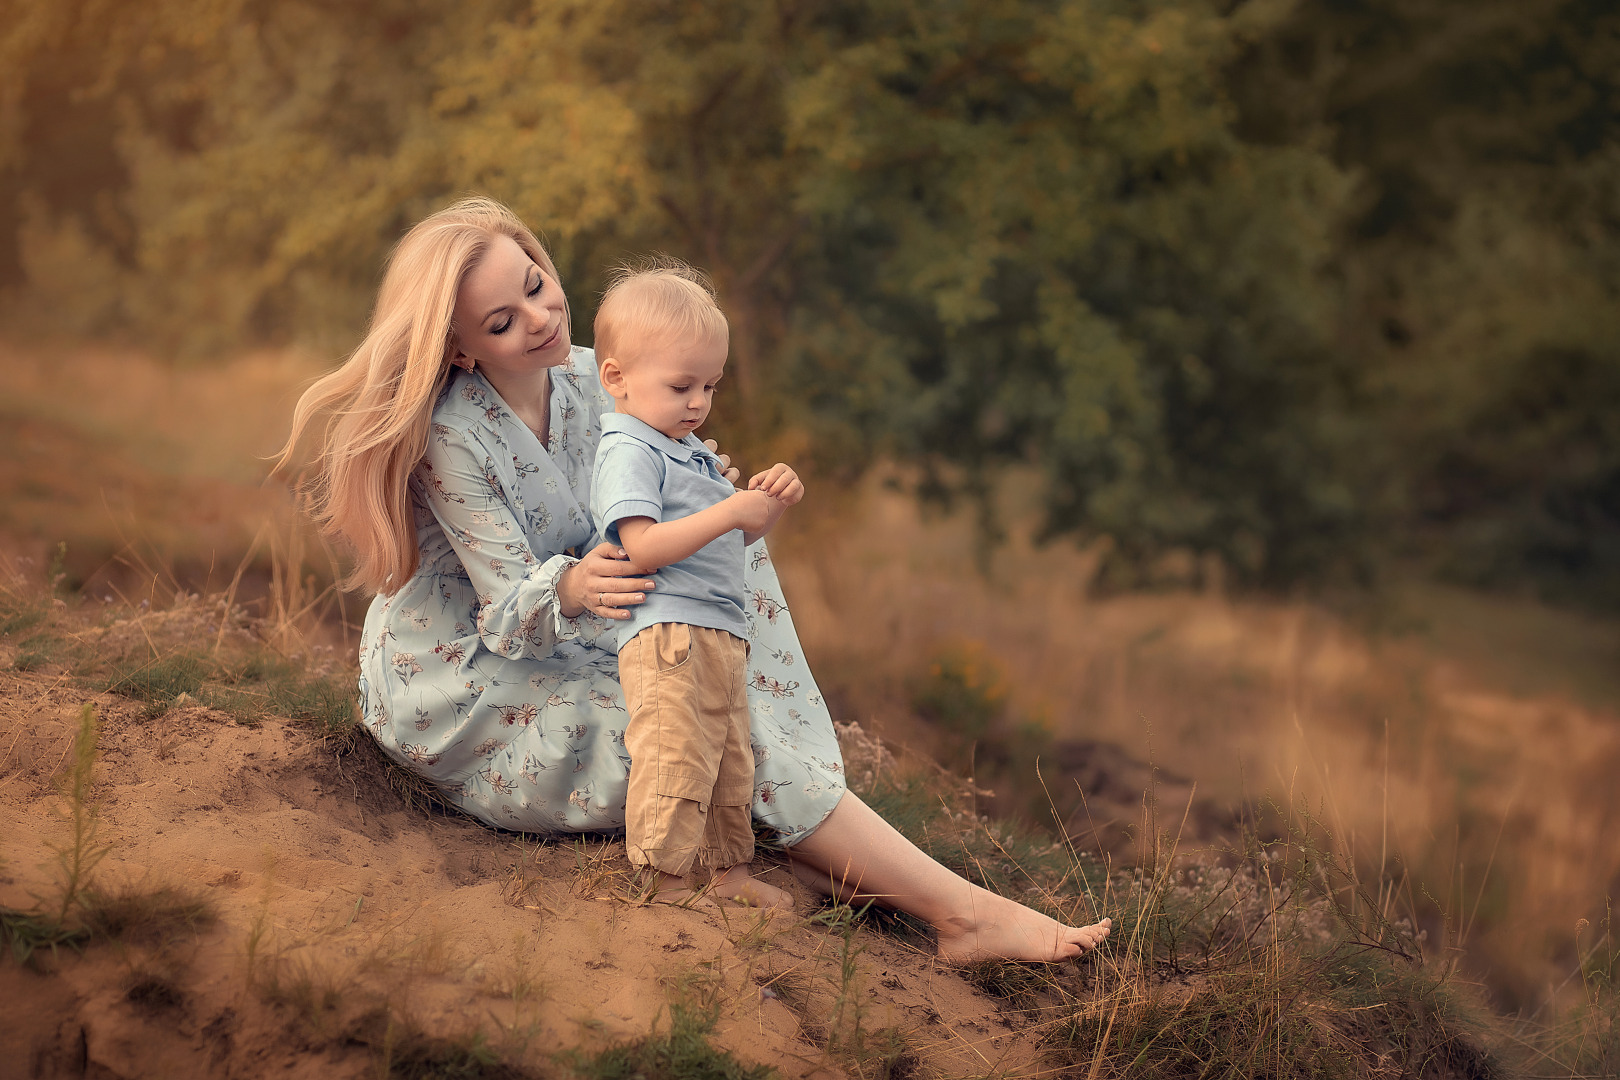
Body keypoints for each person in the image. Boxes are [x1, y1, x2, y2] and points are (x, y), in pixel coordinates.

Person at [279, 196, 1110, 962]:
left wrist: (707, 490)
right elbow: (509, 607)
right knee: (691, 722)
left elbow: (648, 474)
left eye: (536, 285)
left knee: (731, 567)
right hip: (483, 674)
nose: (539, 318)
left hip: (601, 613)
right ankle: (963, 918)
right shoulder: (452, 439)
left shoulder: (585, 373)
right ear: (460, 347)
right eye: (503, 321)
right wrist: (573, 586)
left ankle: (813, 837)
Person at [589, 264, 802, 908]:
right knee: (675, 754)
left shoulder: (689, 449)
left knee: (729, 759)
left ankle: (727, 872)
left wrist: (765, 506)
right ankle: (664, 879)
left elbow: (731, 543)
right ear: (617, 379)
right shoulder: (631, 447)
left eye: (710, 384)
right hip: (668, 632)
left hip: (718, 629)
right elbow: (642, 546)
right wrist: (727, 509)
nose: (700, 402)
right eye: (682, 385)